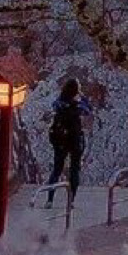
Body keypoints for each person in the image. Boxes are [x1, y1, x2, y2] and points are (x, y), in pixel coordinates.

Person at [47, 77, 86, 210]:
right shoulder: (78, 104)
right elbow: (87, 109)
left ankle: (50, 199)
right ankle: (71, 200)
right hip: (73, 140)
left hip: (60, 140)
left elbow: (55, 106)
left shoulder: (59, 103)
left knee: (57, 169)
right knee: (74, 170)